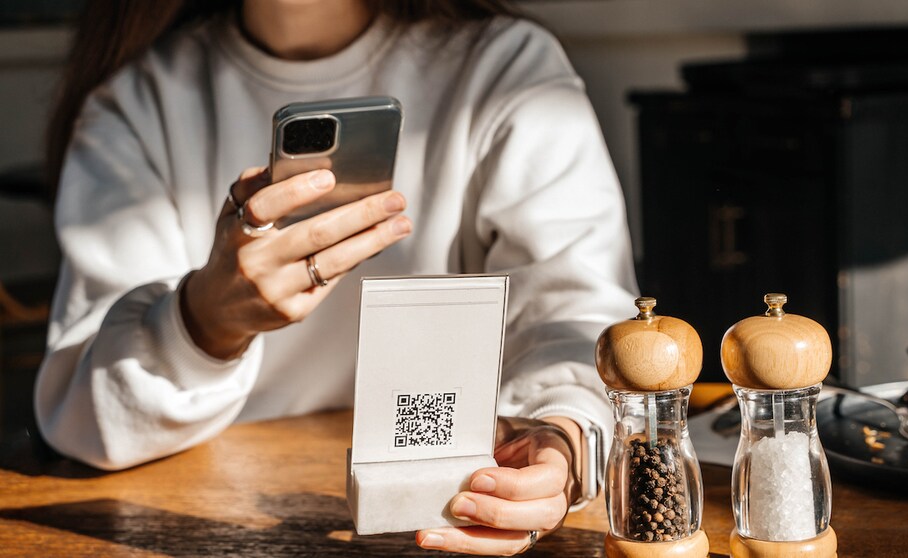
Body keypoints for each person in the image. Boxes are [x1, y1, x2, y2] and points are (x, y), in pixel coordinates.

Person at [37, 0, 638, 554]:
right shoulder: (138, 101)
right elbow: (81, 417)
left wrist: (560, 435)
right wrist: (203, 322)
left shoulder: (504, 67)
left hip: (448, 508)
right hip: (211, 527)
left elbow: (575, 314)